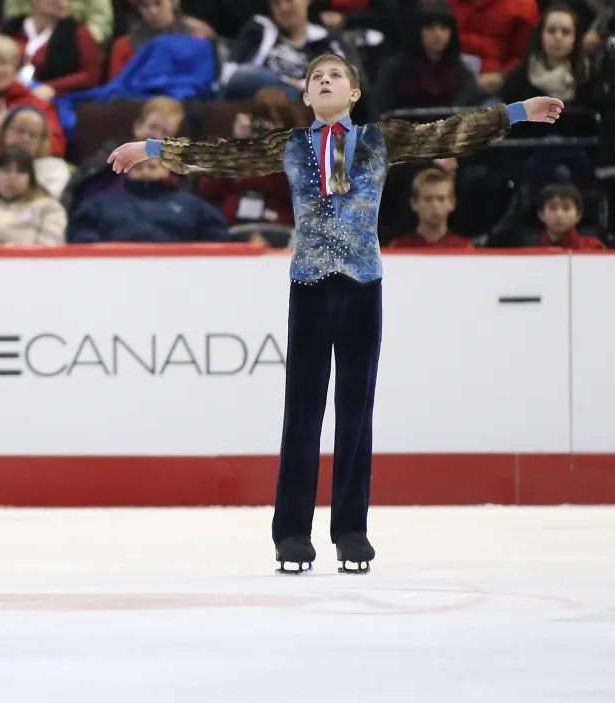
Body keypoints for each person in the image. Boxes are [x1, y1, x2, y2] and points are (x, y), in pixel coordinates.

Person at [107, 53, 563, 575]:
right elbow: (224, 156)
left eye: (335, 77)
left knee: (355, 408)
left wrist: (517, 112)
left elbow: (448, 133)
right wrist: (151, 148)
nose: (324, 81)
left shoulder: (380, 139)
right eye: (315, 78)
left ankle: (351, 529)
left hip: (363, 285)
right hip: (310, 286)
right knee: (302, 410)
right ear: (305, 97)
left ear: (354, 94)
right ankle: (292, 533)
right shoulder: (291, 144)